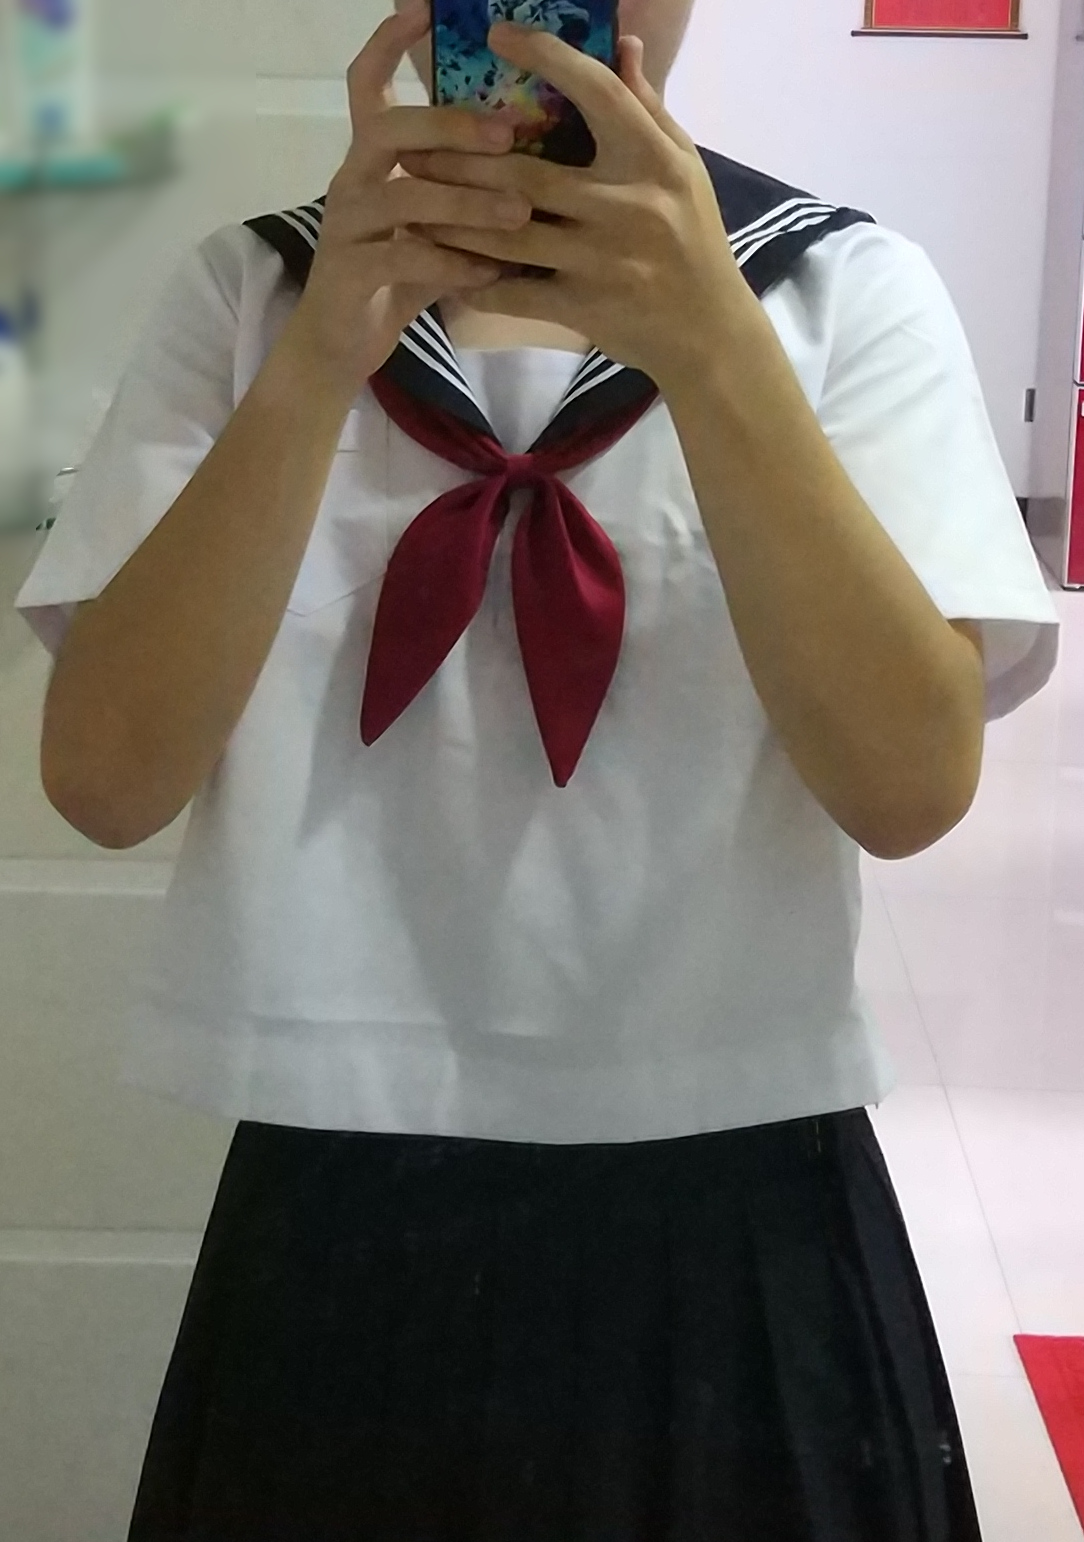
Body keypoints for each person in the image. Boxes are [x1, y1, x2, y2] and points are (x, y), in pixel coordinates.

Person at [14, 0, 1060, 1536]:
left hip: (736, 1187)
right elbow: (107, 779)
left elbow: (908, 787)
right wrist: (321, 357)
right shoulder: (252, 297)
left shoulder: (845, 293)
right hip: (337, 1206)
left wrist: (713, 347)